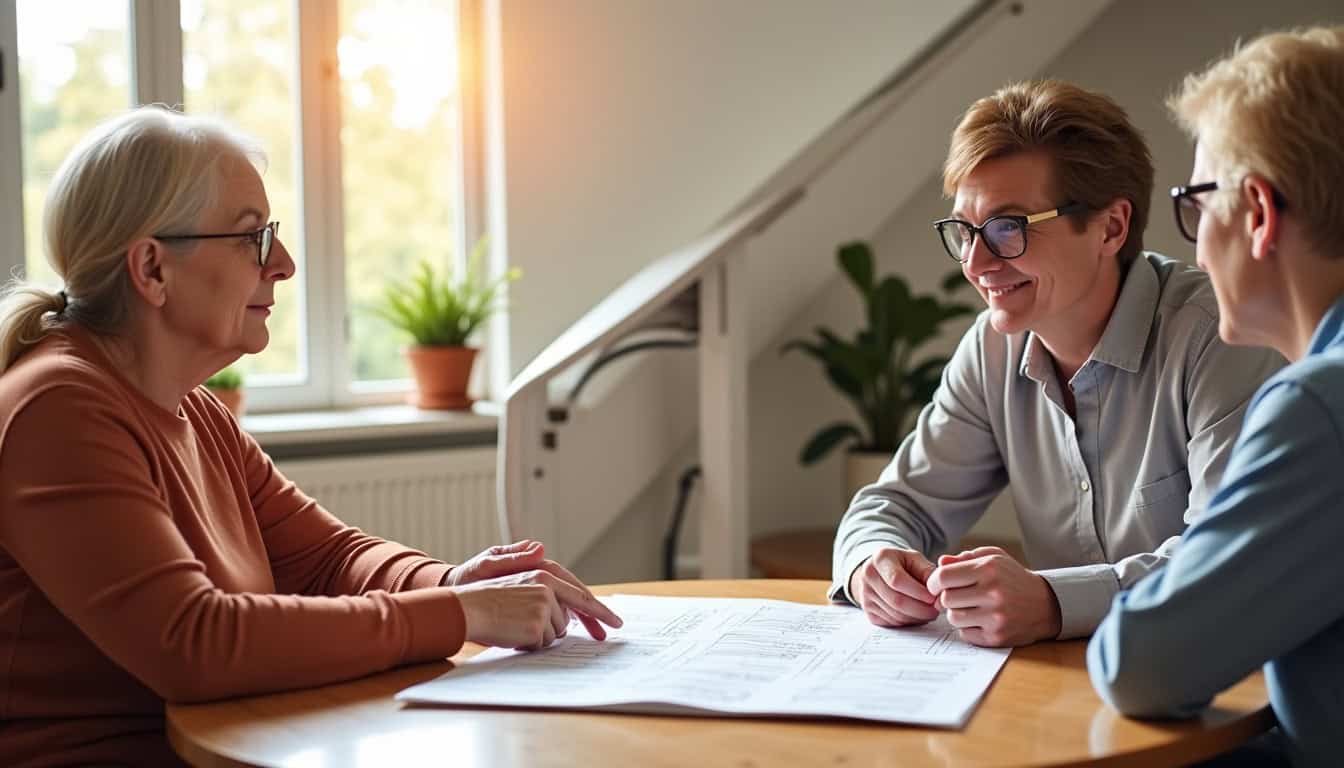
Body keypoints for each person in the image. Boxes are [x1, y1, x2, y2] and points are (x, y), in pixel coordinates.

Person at [0, 106, 622, 765]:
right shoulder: (57, 407)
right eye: (253, 240)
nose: (286, 264)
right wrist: (461, 615)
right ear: (153, 269)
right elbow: (192, 642)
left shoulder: (196, 411)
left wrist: (452, 583)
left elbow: (329, 559)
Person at [830, 79, 1285, 647]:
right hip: (1068, 693)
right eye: (965, 230)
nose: (976, 262)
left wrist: (1051, 603)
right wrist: (873, 565)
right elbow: (896, 504)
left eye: (1006, 227)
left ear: (1111, 227)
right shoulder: (992, 349)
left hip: (1218, 693)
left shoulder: (1217, 335)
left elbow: (1228, 561)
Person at [1088, 27, 1344, 767]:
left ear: (1258, 213)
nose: (1196, 247)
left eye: (1198, 204)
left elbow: (1140, 666)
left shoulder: (1318, 408)